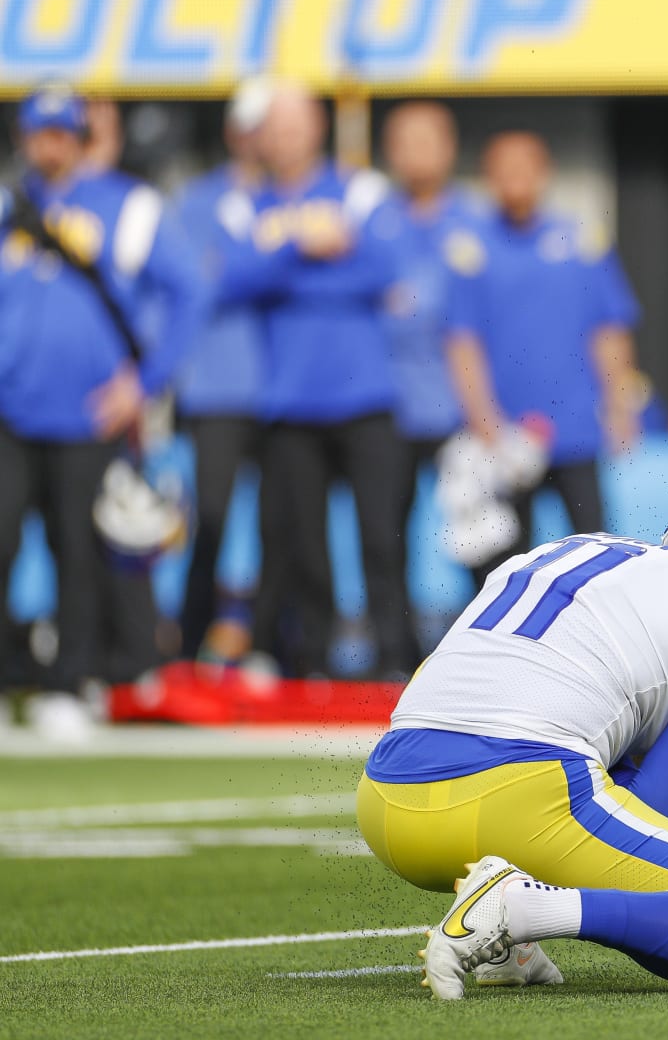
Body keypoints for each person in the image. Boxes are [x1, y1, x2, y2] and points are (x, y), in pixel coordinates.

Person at [356, 469, 668, 998]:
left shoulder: (571, 551)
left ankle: (511, 939)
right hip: (519, 791)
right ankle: (519, 906)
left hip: (386, 803)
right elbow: (661, 816)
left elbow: (518, 691)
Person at [0, 82, 202, 737]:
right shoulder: (8, 205)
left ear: (81, 139)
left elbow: (191, 293)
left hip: (89, 413)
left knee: (79, 550)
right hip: (9, 407)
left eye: (63, 133)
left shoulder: (128, 205)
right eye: (40, 132)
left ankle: (70, 680)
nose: (50, 144)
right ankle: (9, 679)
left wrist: (142, 385)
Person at [216, 82, 412, 680]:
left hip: (366, 397)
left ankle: (396, 663)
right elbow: (228, 281)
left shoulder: (359, 190)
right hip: (288, 403)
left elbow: (384, 270)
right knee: (302, 547)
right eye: (273, 127)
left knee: (382, 540)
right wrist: (305, 249)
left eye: (294, 124)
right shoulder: (244, 203)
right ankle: (312, 665)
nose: (284, 137)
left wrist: (285, 275)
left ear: (318, 127)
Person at [444, 131, 643, 584]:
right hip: (506, 437)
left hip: (574, 429)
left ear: (544, 172)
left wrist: (619, 403)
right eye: (504, 168)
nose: (515, 178)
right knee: (503, 566)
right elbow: (462, 343)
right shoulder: (470, 251)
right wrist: (486, 422)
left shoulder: (581, 241)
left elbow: (608, 328)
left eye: (525, 166)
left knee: (595, 558)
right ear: (488, 177)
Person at [367, 102, 480, 628]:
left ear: (450, 146)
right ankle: (393, 650)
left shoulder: (476, 221)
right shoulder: (373, 222)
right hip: (389, 403)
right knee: (384, 531)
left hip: (463, 406)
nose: (415, 153)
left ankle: (489, 643)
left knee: (482, 531)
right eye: (403, 141)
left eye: (426, 140)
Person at [171, 78, 270, 657]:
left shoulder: (293, 197)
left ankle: (275, 640)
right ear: (234, 132)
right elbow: (197, 283)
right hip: (217, 386)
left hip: (284, 388)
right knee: (210, 521)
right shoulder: (199, 201)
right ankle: (189, 641)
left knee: (284, 526)